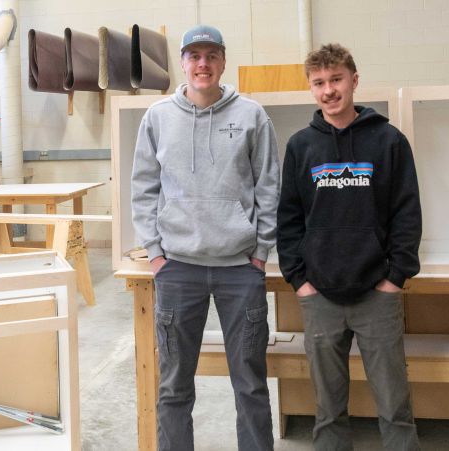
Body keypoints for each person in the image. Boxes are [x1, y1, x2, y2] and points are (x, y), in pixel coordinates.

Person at [130, 24, 279, 451]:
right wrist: (157, 255)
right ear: (182, 63)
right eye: (194, 56)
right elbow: (144, 187)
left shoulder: (251, 115)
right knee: (175, 386)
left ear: (223, 61)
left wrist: (260, 251)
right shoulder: (158, 118)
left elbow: (269, 185)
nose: (203, 64)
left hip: (239, 270)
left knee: (249, 385)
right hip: (178, 270)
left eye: (211, 55)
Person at [277, 43, 422, 451]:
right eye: (319, 83)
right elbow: (288, 219)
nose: (328, 91)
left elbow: (407, 214)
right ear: (310, 87)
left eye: (336, 79)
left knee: (394, 403)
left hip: (377, 293)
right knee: (327, 409)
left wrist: (395, 278)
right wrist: (300, 281)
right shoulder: (301, 146)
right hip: (319, 296)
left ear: (354, 81)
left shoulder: (389, 141)